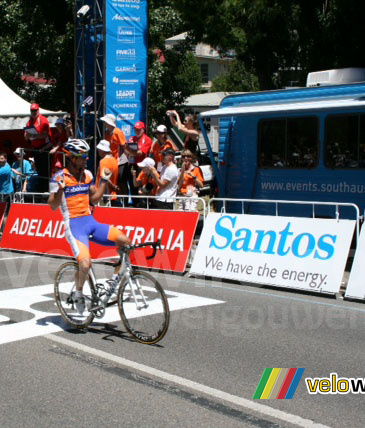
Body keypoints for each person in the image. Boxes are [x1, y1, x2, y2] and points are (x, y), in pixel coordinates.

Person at [48, 139, 130, 314]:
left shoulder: (87, 175)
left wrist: (104, 182)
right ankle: (78, 293)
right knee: (85, 264)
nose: (86, 159)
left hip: (90, 222)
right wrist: (61, 190)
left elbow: (94, 199)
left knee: (125, 241)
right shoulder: (58, 178)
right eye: (82, 156)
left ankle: (113, 284)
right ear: (70, 158)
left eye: (86, 156)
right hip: (74, 226)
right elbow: (53, 206)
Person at [24, 103, 53, 193]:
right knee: (39, 171)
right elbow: (25, 136)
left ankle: (48, 190)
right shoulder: (29, 122)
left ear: (38, 110)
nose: (33, 112)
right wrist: (29, 135)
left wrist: (33, 135)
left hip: (45, 148)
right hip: (36, 149)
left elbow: (44, 135)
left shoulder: (43, 120)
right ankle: (42, 191)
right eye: (32, 111)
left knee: (46, 171)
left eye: (35, 110)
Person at [100, 114, 129, 200]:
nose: (104, 123)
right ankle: (118, 200)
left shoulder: (117, 132)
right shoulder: (106, 133)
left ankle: (126, 202)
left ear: (109, 123)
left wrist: (124, 159)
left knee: (121, 182)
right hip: (111, 161)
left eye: (105, 122)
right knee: (113, 181)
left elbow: (124, 146)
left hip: (120, 161)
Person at [125, 121, 152, 205]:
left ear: (143, 130)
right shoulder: (131, 138)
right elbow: (126, 150)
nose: (136, 131)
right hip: (132, 165)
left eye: (138, 129)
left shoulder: (147, 139)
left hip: (142, 166)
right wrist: (130, 152)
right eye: (135, 129)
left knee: (140, 186)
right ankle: (134, 204)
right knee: (132, 185)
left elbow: (140, 153)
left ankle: (143, 204)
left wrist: (130, 151)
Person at [95, 139, 119, 205]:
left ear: (102, 150)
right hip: (112, 195)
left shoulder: (103, 162)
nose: (98, 151)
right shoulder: (114, 160)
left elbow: (105, 178)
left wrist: (113, 186)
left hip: (104, 196)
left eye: (99, 149)